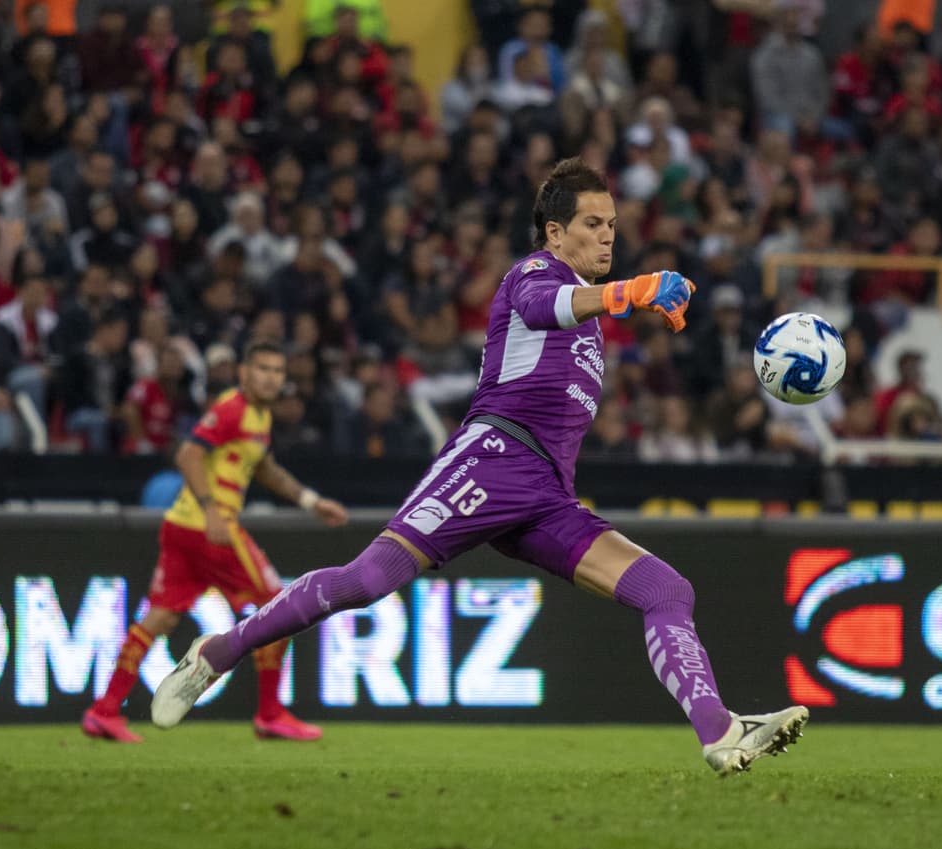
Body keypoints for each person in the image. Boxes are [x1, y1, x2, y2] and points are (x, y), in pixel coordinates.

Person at [151, 159, 808, 775]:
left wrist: (615, 299)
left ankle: (719, 731)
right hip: (492, 460)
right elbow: (540, 310)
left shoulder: (591, 314)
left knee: (667, 590)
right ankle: (219, 651)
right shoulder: (532, 275)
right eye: (592, 224)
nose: (607, 235)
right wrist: (629, 292)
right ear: (556, 231)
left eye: (612, 224)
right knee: (367, 579)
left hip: (548, 496)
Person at [84, 342, 350, 742]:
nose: (270, 377)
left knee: (160, 617)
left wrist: (312, 502)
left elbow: (266, 470)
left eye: (277, 371)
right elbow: (188, 455)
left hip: (181, 526)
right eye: (262, 368)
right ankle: (271, 714)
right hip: (212, 529)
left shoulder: (258, 417)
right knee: (279, 607)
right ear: (244, 373)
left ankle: (105, 711)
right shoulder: (232, 408)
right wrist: (210, 508)